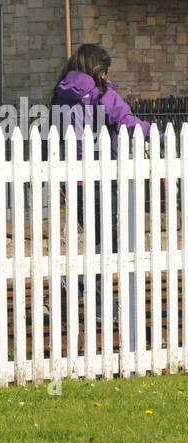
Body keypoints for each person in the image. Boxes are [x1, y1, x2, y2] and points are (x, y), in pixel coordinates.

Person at [48, 42, 151, 326]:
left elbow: (53, 137)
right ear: (97, 68)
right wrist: (157, 133)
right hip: (104, 177)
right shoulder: (100, 92)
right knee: (111, 241)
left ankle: (99, 303)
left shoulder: (59, 96)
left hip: (74, 180)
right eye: (104, 70)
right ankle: (78, 284)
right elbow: (126, 121)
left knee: (98, 242)